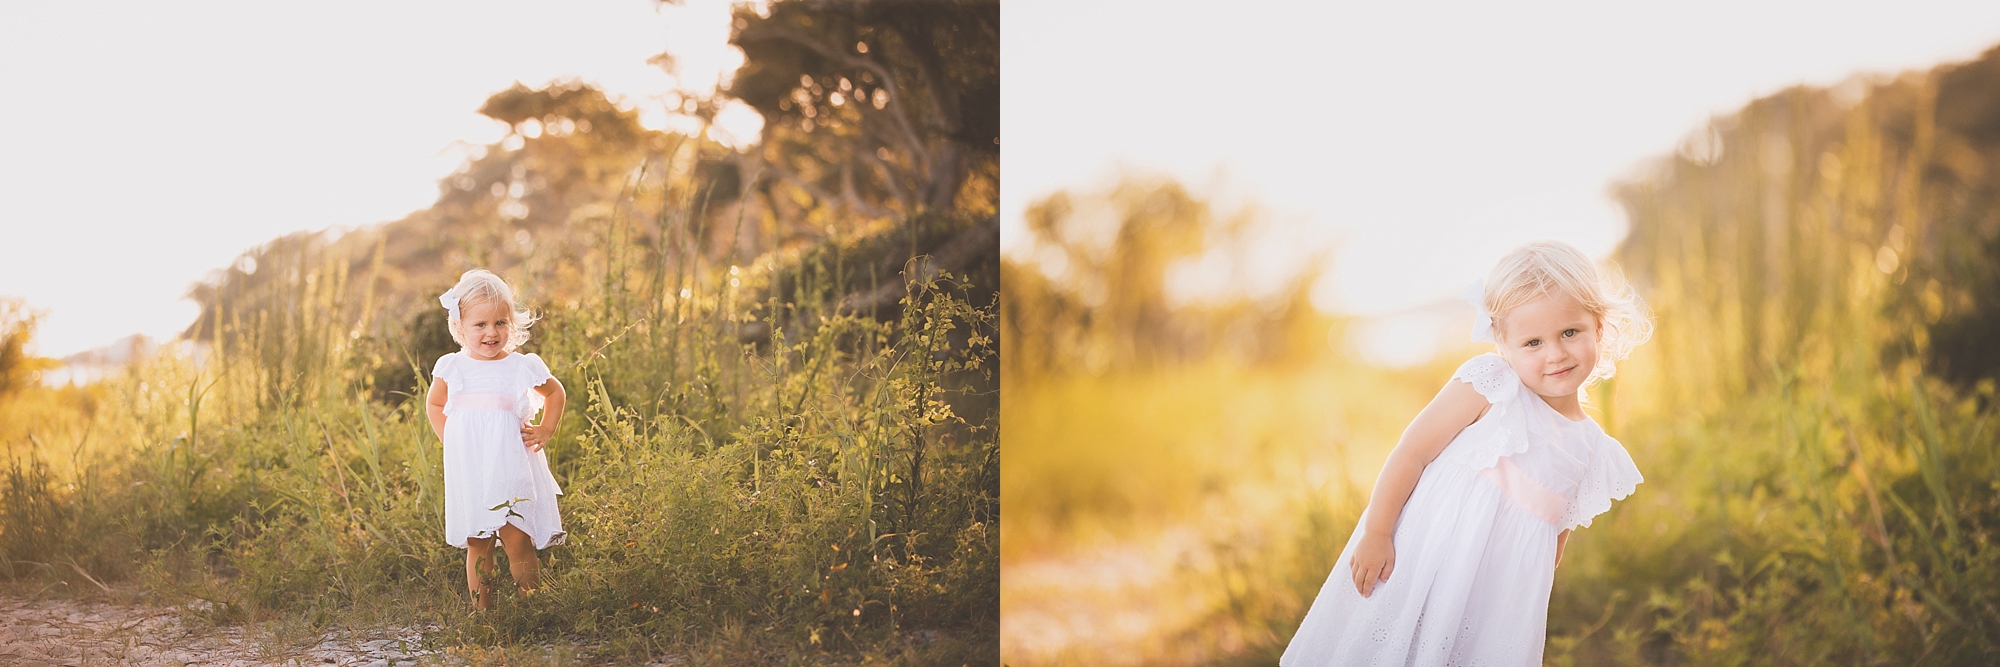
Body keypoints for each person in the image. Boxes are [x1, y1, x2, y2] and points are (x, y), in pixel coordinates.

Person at [1282, 240, 1653, 665]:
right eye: (1533, 342)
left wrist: (1516, 612)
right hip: (1423, 560)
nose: (1555, 354)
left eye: (1570, 332)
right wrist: (1378, 532)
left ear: (1599, 327)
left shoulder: (1592, 449)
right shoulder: (1492, 387)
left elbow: (1554, 539)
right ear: (1503, 343)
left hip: (1491, 600)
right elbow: (1412, 452)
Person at [424, 269, 567, 610]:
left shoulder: (520, 366)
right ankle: (483, 615)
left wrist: (546, 429)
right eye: (480, 325)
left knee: (516, 538)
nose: (491, 332)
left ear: (511, 324)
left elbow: (555, 392)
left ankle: (530, 609)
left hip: (510, 465)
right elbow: (434, 403)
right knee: (478, 541)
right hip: (471, 468)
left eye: (500, 323)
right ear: (460, 327)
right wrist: (451, 442)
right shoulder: (452, 367)